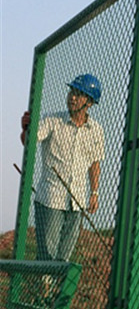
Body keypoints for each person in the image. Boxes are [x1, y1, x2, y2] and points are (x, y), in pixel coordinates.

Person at [20, 74, 105, 261]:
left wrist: (94, 192)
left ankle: (57, 281)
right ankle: (45, 280)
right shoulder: (52, 121)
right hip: (51, 199)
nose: (72, 97)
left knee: (64, 259)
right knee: (47, 257)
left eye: (79, 94)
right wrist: (26, 129)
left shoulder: (96, 131)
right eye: (71, 92)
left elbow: (95, 163)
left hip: (77, 201)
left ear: (90, 102)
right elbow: (29, 141)